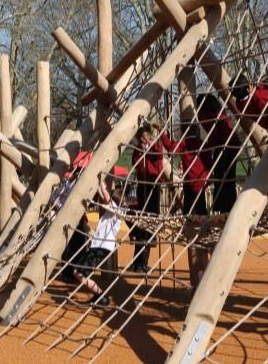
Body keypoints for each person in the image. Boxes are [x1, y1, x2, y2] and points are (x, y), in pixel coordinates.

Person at [70, 179, 121, 307]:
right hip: (97, 247)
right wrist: (97, 181)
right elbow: (103, 194)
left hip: (102, 248)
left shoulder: (117, 211)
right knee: (78, 272)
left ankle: (101, 296)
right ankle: (99, 295)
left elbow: (106, 195)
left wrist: (101, 179)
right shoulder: (109, 214)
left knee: (79, 273)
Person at [196, 94, 242, 213]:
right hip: (233, 144)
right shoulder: (220, 114)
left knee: (221, 177)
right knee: (228, 178)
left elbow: (213, 133)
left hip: (224, 146)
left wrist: (207, 149)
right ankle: (228, 207)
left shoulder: (206, 116)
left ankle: (224, 207)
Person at [129, 124, 165, 272]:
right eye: (141, 138)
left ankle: (143, 262)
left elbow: (158, 154)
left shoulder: (156, 147)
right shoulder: (138, 151)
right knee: (141, 224)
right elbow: (136, 164)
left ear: (150, 136)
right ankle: (137, 262)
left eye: (145, 137)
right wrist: (141, 150)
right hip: (142, 187)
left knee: (150, 224)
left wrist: (149, 145)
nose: (143, 140)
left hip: (153, 186)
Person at [160, 125, 210, 215]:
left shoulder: (184, 143)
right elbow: (209, 162)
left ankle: (187, 223)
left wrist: (161, 132)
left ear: (184, 131)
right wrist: (208, 177)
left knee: (188, 209)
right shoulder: (202, 144)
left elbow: (171, 147)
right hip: (200, 179)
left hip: (190, 180)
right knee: (201, 208)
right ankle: (203, 225)